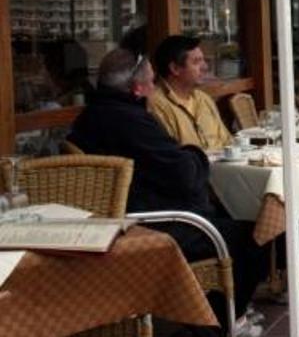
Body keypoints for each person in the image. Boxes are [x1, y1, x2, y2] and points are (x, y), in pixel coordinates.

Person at [68, 48, 268, 336]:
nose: (154, 89)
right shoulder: (131, 122)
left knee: (231, 223)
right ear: (137, 89)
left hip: (122, 219)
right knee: (256, 239)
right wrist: (194, 153)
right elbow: (185, 175)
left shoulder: (90, 117)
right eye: (151, 83)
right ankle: (217, 325)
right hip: (153, 224)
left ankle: (207, 319)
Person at [148, 35, 233, 151]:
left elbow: (227, 141)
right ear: (175, 69)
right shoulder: (155, 104)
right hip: (193, 168)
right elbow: (171, 157)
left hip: (225, 166)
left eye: (203, 60)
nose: (205, 67)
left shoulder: (203, 99)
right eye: (196, 62)